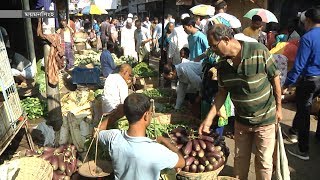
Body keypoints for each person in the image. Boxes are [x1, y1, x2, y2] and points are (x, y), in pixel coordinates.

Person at [199, 24, 282, 180]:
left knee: (264, 162)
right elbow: (222, 93)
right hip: (242, 121)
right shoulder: (222, 66)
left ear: (225, 39)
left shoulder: (259, 50)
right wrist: (208, 120)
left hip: (265, 119)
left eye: (213, 46)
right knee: (240, 161)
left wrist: (279, 108)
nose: (212, 50)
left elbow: (275, 78)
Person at [98, 93, 185, 180]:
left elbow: (97, 132)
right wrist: (165, 141)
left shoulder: (114, 137)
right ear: (146, 116)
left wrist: (116, 114)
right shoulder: (157, 150)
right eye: (151, 113)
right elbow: (182, 162)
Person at [282, 7, 320, 161]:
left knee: (304, 111)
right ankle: (294, 132)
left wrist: (287, 83)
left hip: (310, 79)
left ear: (308, 21)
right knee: (309, 106)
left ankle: (303, 150)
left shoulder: (307, 37)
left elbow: (299, 66)